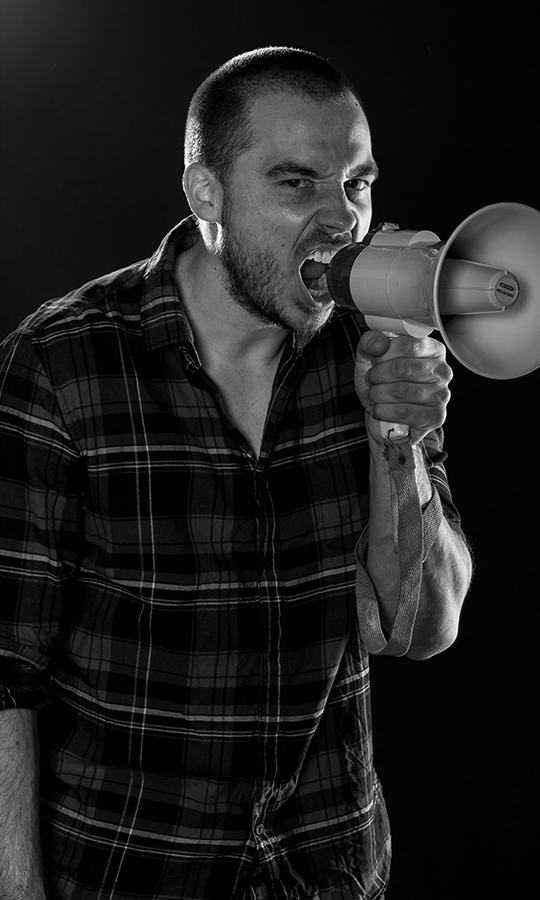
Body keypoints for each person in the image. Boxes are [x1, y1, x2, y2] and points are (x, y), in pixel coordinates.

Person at [0, 47, 473, 900]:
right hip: (131, 872)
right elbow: (6, 678)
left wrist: (395, 438)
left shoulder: (378, 343)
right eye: (297, 183)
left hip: (327, 871)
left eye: (357, 183)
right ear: (206, 194)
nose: (342, 220)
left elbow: (423, 628)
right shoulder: (60, 366)